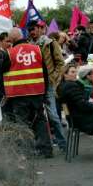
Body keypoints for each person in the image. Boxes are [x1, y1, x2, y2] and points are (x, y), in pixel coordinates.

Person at [1, 27, 53, 158]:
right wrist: (45, 92)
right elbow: (45, 73)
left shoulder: (9, 53)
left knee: (22, 123)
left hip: (19, 94)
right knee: (40, 120)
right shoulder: (37, 49)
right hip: (37, 92)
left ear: (12, 39)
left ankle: (27, 151)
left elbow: (1, 70)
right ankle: (46, 150)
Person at [28, 20, 67, 152]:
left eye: (34, 29)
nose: (32, 32)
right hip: (35, 86)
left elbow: (61, 63)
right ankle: (45, 147)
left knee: (53, 117)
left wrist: (54, 79)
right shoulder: (28, 46)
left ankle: (63, 145)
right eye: (30, 30)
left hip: (48, 84)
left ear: (40, 29)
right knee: (38, 117)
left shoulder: (50, 43)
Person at [58, 64, 93, 135]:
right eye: (72, 72)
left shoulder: (64, 86)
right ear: (65, 74)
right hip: (85, 121)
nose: (75, 74)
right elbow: (82, 104)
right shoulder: (71, 86)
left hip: (76, 120)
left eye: (75, 72)